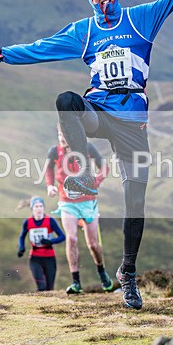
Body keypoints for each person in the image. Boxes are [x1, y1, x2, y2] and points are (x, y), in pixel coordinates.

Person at [0, 0, 173, 309]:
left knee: (136, 203)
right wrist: (2, 54)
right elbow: (42, 48)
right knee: (66, 100)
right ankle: (82, 171)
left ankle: (127, 275)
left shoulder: (141, 18)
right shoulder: (84, 32)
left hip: (131, 121)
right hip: (98, 111)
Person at [45, 124, 113, 294]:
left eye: (65, 134)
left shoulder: (87, 148)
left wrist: (94, 183)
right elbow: (48, 170)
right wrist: (50, 186)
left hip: (88, 202)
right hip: (67, 202)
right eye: (60, 134)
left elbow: (104, 167)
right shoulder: (54, 152)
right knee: (72, 238)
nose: (62, 138)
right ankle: (76, 282)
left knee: (93, 244)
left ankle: (101, 271)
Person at [17, 197, 65, 291]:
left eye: (41, 206)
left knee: (49, 288)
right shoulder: (27, 222)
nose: (39, 209)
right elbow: (21, 236)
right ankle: (40, 303)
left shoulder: (50, 221)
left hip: (49, 257)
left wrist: (50, 241)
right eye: (36, 206)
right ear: (32, 209)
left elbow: (62, 236)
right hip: (35, 258)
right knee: (41, 287)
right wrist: (21, 248)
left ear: (43, 208)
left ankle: (48, 305)